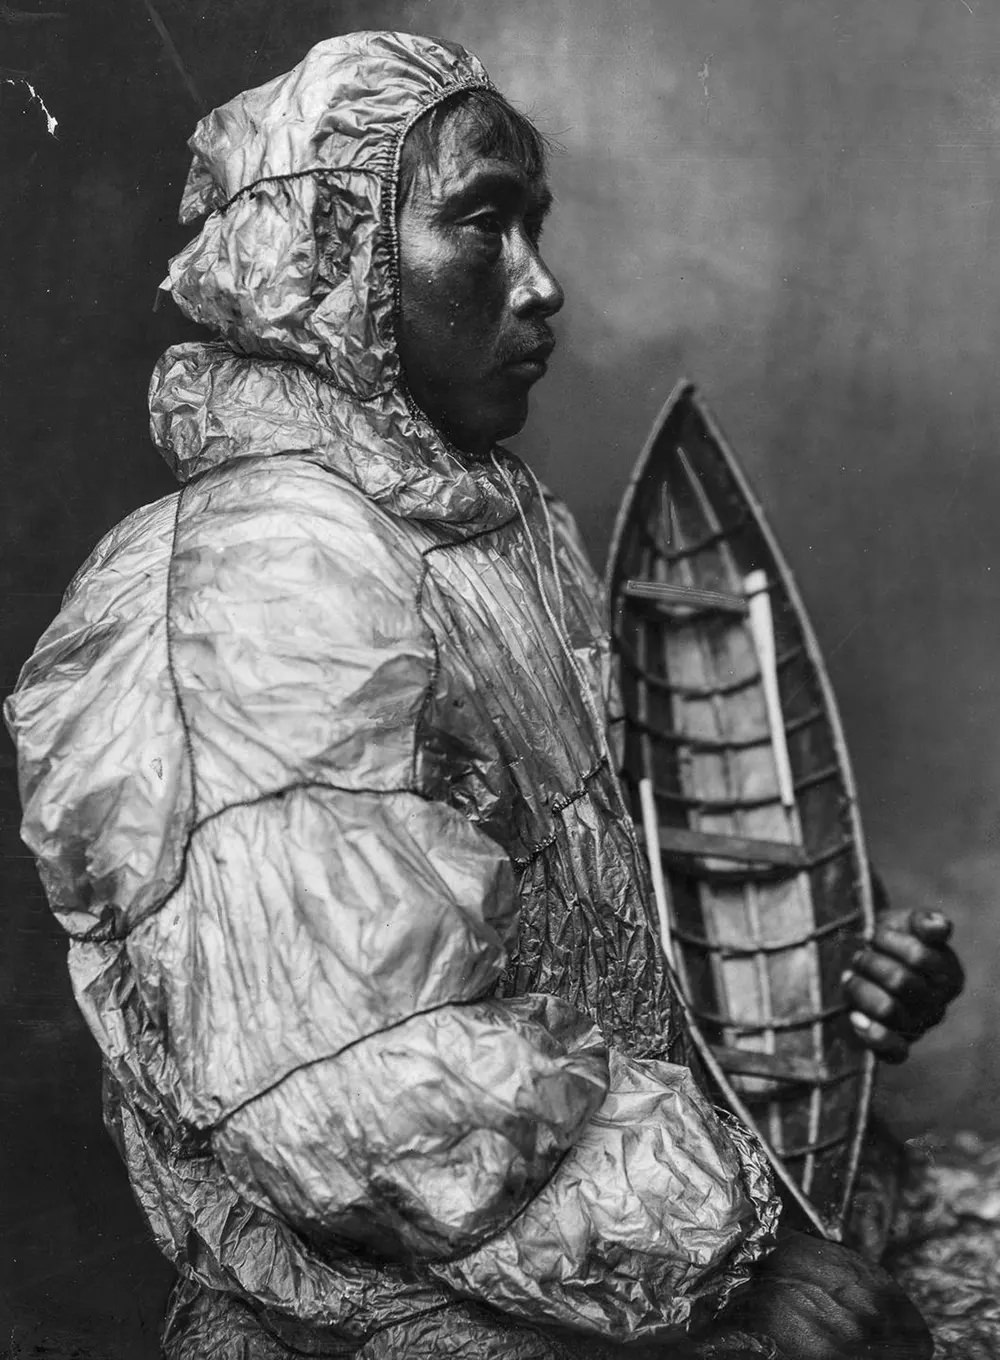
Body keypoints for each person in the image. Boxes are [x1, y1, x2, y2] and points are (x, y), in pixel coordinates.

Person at [4, 30, 962, 1360]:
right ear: (330, 264)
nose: (543, 286)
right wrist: (736, 1258)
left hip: (545, 1248)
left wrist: (824, 994)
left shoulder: (481, 530)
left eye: (536, 226)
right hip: (382, 1312)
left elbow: (573, 943)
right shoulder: (257, 582)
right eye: (483, 226)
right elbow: (353, 1088)